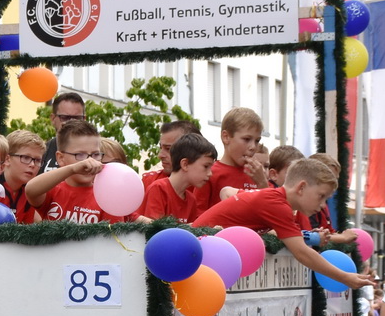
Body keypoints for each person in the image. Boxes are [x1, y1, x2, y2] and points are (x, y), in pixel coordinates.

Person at [193, 160, 371, 291]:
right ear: (301, 188)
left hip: (204, 250)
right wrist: (345, 277)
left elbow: (227, 192)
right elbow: (302, 253)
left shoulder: (271, 197)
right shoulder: (277, 205)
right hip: (200, 250)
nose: (323, 205)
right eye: (321, 196)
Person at [25, 120, 134, 223]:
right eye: (80, 155)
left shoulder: (107, 197)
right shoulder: (53, 190)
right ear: (61, 158)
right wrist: (73, 168)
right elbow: (30, 190)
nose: (89, 161)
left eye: (96, 154)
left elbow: (114, 237)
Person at [138, 132, 217, 223]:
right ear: (185, 164)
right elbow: (155, 231)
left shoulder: (191, 200)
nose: (210, 173)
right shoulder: (158, 189)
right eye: (206, 166)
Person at [201, 107, 270, 207]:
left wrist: (263, 183)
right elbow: (199, 216)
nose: (253, 147)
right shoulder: (210, 173)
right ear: (226, 137)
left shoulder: (256, 174)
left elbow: (271, 211)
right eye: (246, 139)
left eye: (257, 141)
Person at [1, 131, 47, 222]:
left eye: (37, 160)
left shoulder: (31, 192)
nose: (32, 164)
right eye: (26, 158)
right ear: (7, 159)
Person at [40, 90, 88, 171]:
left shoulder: (96, 153)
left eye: (77, 118)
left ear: (84, 119)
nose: (71, 122)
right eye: (65, 117)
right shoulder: (40, 153)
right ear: (53, 118)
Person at [143, 119, 190, 187]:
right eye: (161, 148)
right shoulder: (149, 182)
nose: (160, 155)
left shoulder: (205, 183)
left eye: (168, 149)